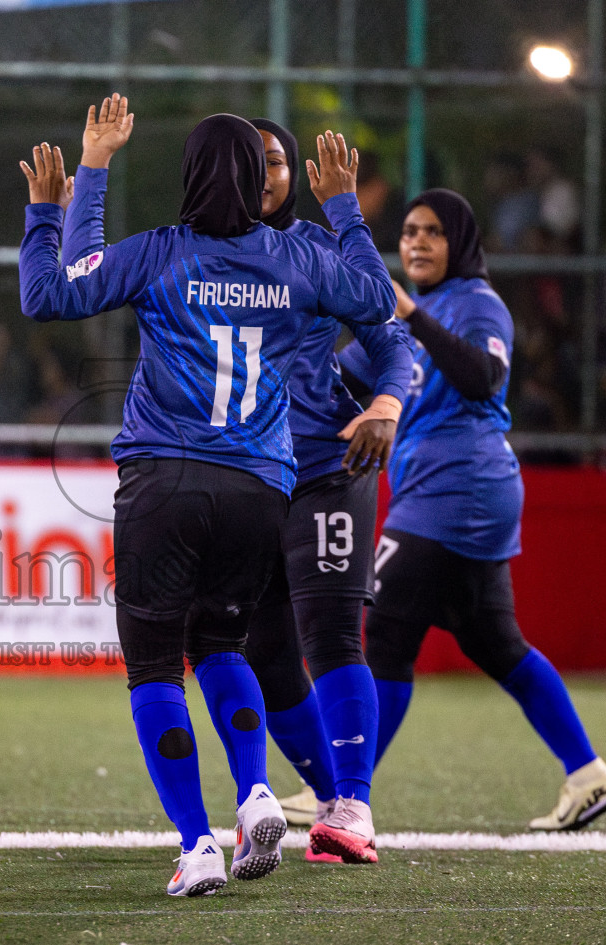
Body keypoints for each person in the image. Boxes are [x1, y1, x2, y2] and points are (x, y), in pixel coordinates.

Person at [20, 96, 398, 895]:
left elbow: (54, 292)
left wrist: (71, 192)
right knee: (225, 649)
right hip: (262, 485)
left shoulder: (161, 252)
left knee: (155, 667)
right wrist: (344, 211)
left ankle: (197, 844)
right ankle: (258, 790)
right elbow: (374, 298)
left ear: (190, 175)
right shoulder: (298, 260)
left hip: (165, 480)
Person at [338, 188, 606, 831]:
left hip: (460, 490)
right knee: (497, 644)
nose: (416, 241)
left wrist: (411, 315)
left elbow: (482, 378)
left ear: (460, 243)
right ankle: (588, 774)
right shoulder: (398, 319)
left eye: (433, 232)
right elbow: (339, 381)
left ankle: (343, 794)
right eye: (410, 231)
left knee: (383, 632)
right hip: (439, 491)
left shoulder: (477, 305)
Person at [236, 118, 412, 866]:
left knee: (333, 634)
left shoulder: (319, 250)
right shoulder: (188, 251)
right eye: (252, 162)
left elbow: (391, 342)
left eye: (276, 161)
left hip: (327, 469)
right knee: (261, 652)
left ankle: (353, 809)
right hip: (240, 478)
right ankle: (330, 796)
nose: (267, 173)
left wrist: (385, 404)